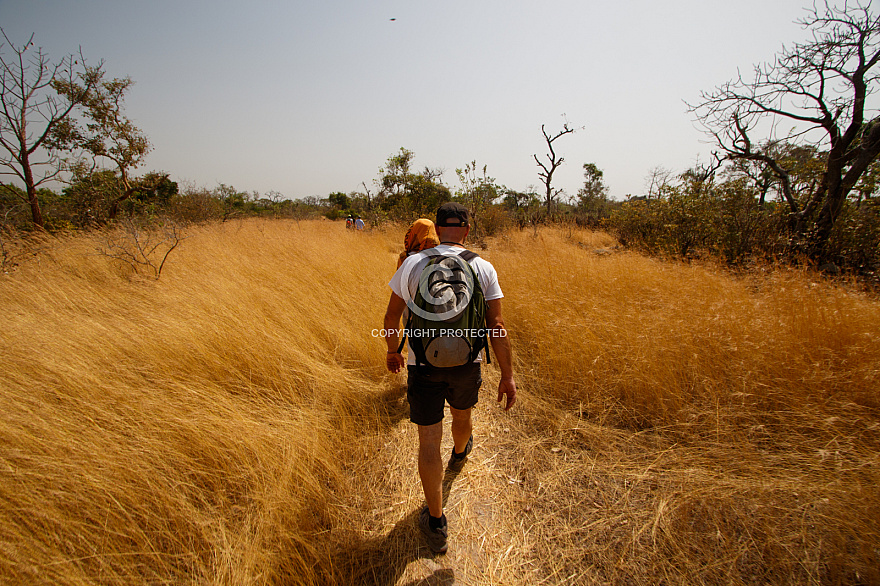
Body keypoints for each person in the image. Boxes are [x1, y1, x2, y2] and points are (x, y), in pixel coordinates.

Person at [383, 202, 517, 554]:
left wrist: (392, 351)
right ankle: (460, 452)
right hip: (467, 364)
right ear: (467, 231)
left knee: (428, 442)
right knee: (463, 416)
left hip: (422, 364)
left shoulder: (412, 263)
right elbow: (497, 327)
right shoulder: (483, 266)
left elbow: (391, 318)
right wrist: (507, 374)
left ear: (437, 229)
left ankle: (437, 519)